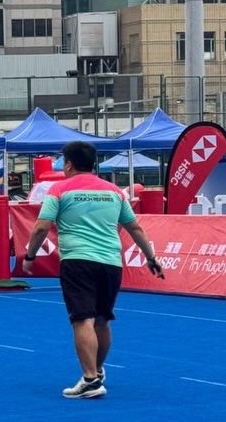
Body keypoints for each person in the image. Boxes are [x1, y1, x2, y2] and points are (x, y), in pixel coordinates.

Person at [22, 140, 164, 399]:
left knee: (82, 319)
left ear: (68, 164)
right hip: (111, 263)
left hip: (77, 261)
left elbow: (41, 227)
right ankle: (96, 370)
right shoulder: (114, 191)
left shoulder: (58, 189)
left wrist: (29, 256)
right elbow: (134, 227)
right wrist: (151, 257)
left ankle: (89, 380)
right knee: (101, 319)